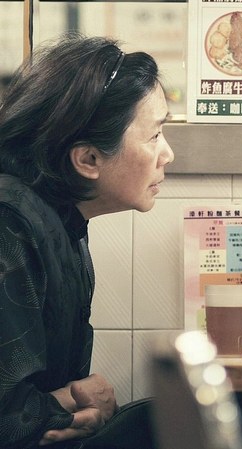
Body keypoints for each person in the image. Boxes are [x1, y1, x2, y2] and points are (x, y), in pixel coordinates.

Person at [0, 34, 174, 448]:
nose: (167, 154)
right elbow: (7, 417)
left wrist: (68, 403)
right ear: (88, 159)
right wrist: (71, 402)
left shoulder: (60, 220)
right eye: (153, 136)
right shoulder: (11, 222)